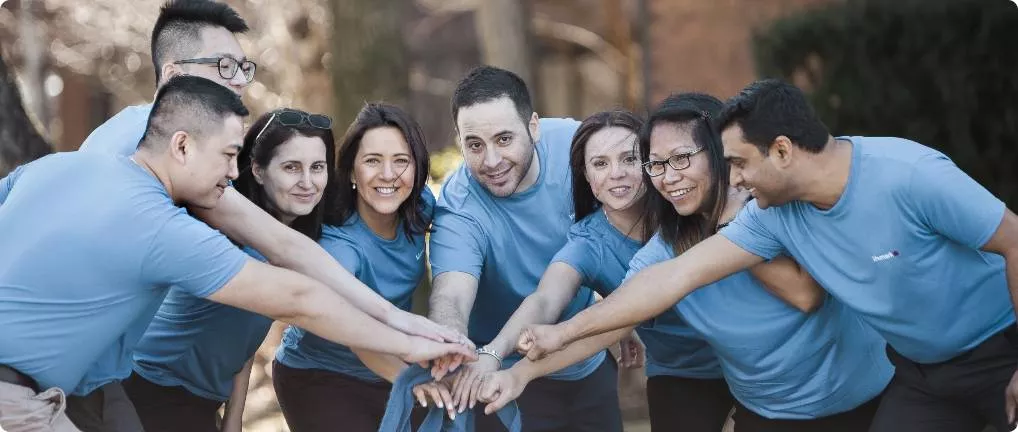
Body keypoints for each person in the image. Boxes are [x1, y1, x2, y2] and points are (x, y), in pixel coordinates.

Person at [516, 79, 1018, 432]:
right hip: (915, 376)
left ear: (779, 151)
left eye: (736, 163)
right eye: (658, 164)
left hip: (987, 352)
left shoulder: (903, 173)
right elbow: (666, 281)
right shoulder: (765, 214)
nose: (736, 178)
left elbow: (1013, 241)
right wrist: (546, 345)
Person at [0, 76, 473, 432]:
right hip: (96, 389)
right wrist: (414, 344)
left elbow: (265, 303)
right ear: (182, 145)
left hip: (93, 389)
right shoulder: (170, 228)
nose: (232, 173)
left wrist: (411, 326)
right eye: (228, 155)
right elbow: (297, 298)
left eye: (316, 168)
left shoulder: (56, 168)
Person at [459, 108, 731, 432]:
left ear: (649, 164)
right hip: (682, 374)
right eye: (600, 164)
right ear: (586, 176)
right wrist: (495, 354)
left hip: (747, 359)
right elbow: (546, 300)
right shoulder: (588, 244)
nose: (616, 173)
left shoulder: (684, 206)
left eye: (630, 159)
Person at [427, 65, 622, 431]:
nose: (491, 161)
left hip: (585, 361)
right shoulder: (459, 206)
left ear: (533, 127)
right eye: (474, 145)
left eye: (504, 139)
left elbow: (619, 228)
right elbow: (451, 296)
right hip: (501, 375)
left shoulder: (577, 148)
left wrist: (624, 312)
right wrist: (451, 350)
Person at [121, 107, 336, 432]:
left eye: (317, 167)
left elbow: (244, 338)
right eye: (291, 167)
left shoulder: (296, 243)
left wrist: (234, 417)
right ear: (259, 170)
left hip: (201, 401)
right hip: (150, 388)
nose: (307, 182)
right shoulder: (224, 233)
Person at [271, 103, 437, 431]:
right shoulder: (340, 246)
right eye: (372, 161)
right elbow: (357, 337)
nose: (388, 175)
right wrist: (413, 382)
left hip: (389, 362)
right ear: (350, 170)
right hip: (320, 374)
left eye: (401, 161)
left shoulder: (420, 209)